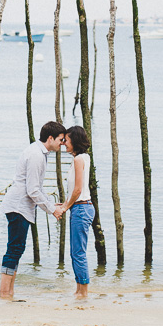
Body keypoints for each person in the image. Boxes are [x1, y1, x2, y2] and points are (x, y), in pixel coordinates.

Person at [0, 121, 66, 300]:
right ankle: (5, 293)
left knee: (17, 248)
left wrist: (53, 204)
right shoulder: (36, 155)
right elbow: (33, 190)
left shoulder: (39, 152)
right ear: (50, 138)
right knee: (14, 249)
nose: (62, 143)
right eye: (60, 140)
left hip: (21, 206)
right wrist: (52, 210)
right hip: (19, 206)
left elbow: (38, 186)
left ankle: (9, 292)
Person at [55, 125, 94, 298]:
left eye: (66, 140)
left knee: (78, 252)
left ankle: (83, 291)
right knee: (76, 251)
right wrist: (65, 203)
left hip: (81, 207)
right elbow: (78, 190)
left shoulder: (79, 160)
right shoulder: (83, 158)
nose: (63, 143)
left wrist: (65, 207)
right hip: (81, 206)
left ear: (75, 141)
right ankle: (79, 288)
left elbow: (78, 190)